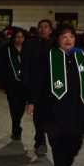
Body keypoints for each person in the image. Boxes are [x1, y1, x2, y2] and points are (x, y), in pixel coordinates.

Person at [27, 22, 84, 166]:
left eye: (71, 36)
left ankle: (65, 165)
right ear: (58, 39)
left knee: (75, 142)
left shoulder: (83, 55)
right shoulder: (49, 55)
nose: (68, 39)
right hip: (53, 108)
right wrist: (32, 101)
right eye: (64, 36)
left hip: (78, 108)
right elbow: (38, 81)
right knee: (57, 141)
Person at [22, 18, 54, 155]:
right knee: (38, 113)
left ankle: (40, 136)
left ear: (50, 30)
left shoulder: (55, 45)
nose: (43, 29)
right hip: (35, 84)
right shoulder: (29, 44)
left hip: (51, 85)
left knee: (49, 114)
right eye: (41, 27)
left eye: (46, 27)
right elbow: (25, 65)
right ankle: (41, 140)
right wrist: (26, 83)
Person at [0, 27, 28, 140]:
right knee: (14, 108)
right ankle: (16, 129)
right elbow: (2, 67)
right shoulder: (7, 49)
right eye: (17, 37)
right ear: (13, 38)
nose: (20, 39)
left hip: (24, 84)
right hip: (11, 84)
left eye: (22, 37)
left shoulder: (27, 49)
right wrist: (0, 84)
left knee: (20, 108)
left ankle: (16, 125)